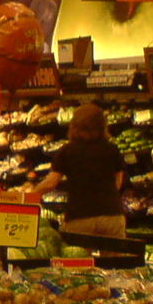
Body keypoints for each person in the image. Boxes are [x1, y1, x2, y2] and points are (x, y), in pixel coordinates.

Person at [30, 102, 127, 239]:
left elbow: (51, 183)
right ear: (102, 126)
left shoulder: (67, 151)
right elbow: (118, 182)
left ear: (74, 127)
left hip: (80, 216)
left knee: (79, 252)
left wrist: (30, 195)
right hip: (112, 215)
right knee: (114, 253)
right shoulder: (112, 149)